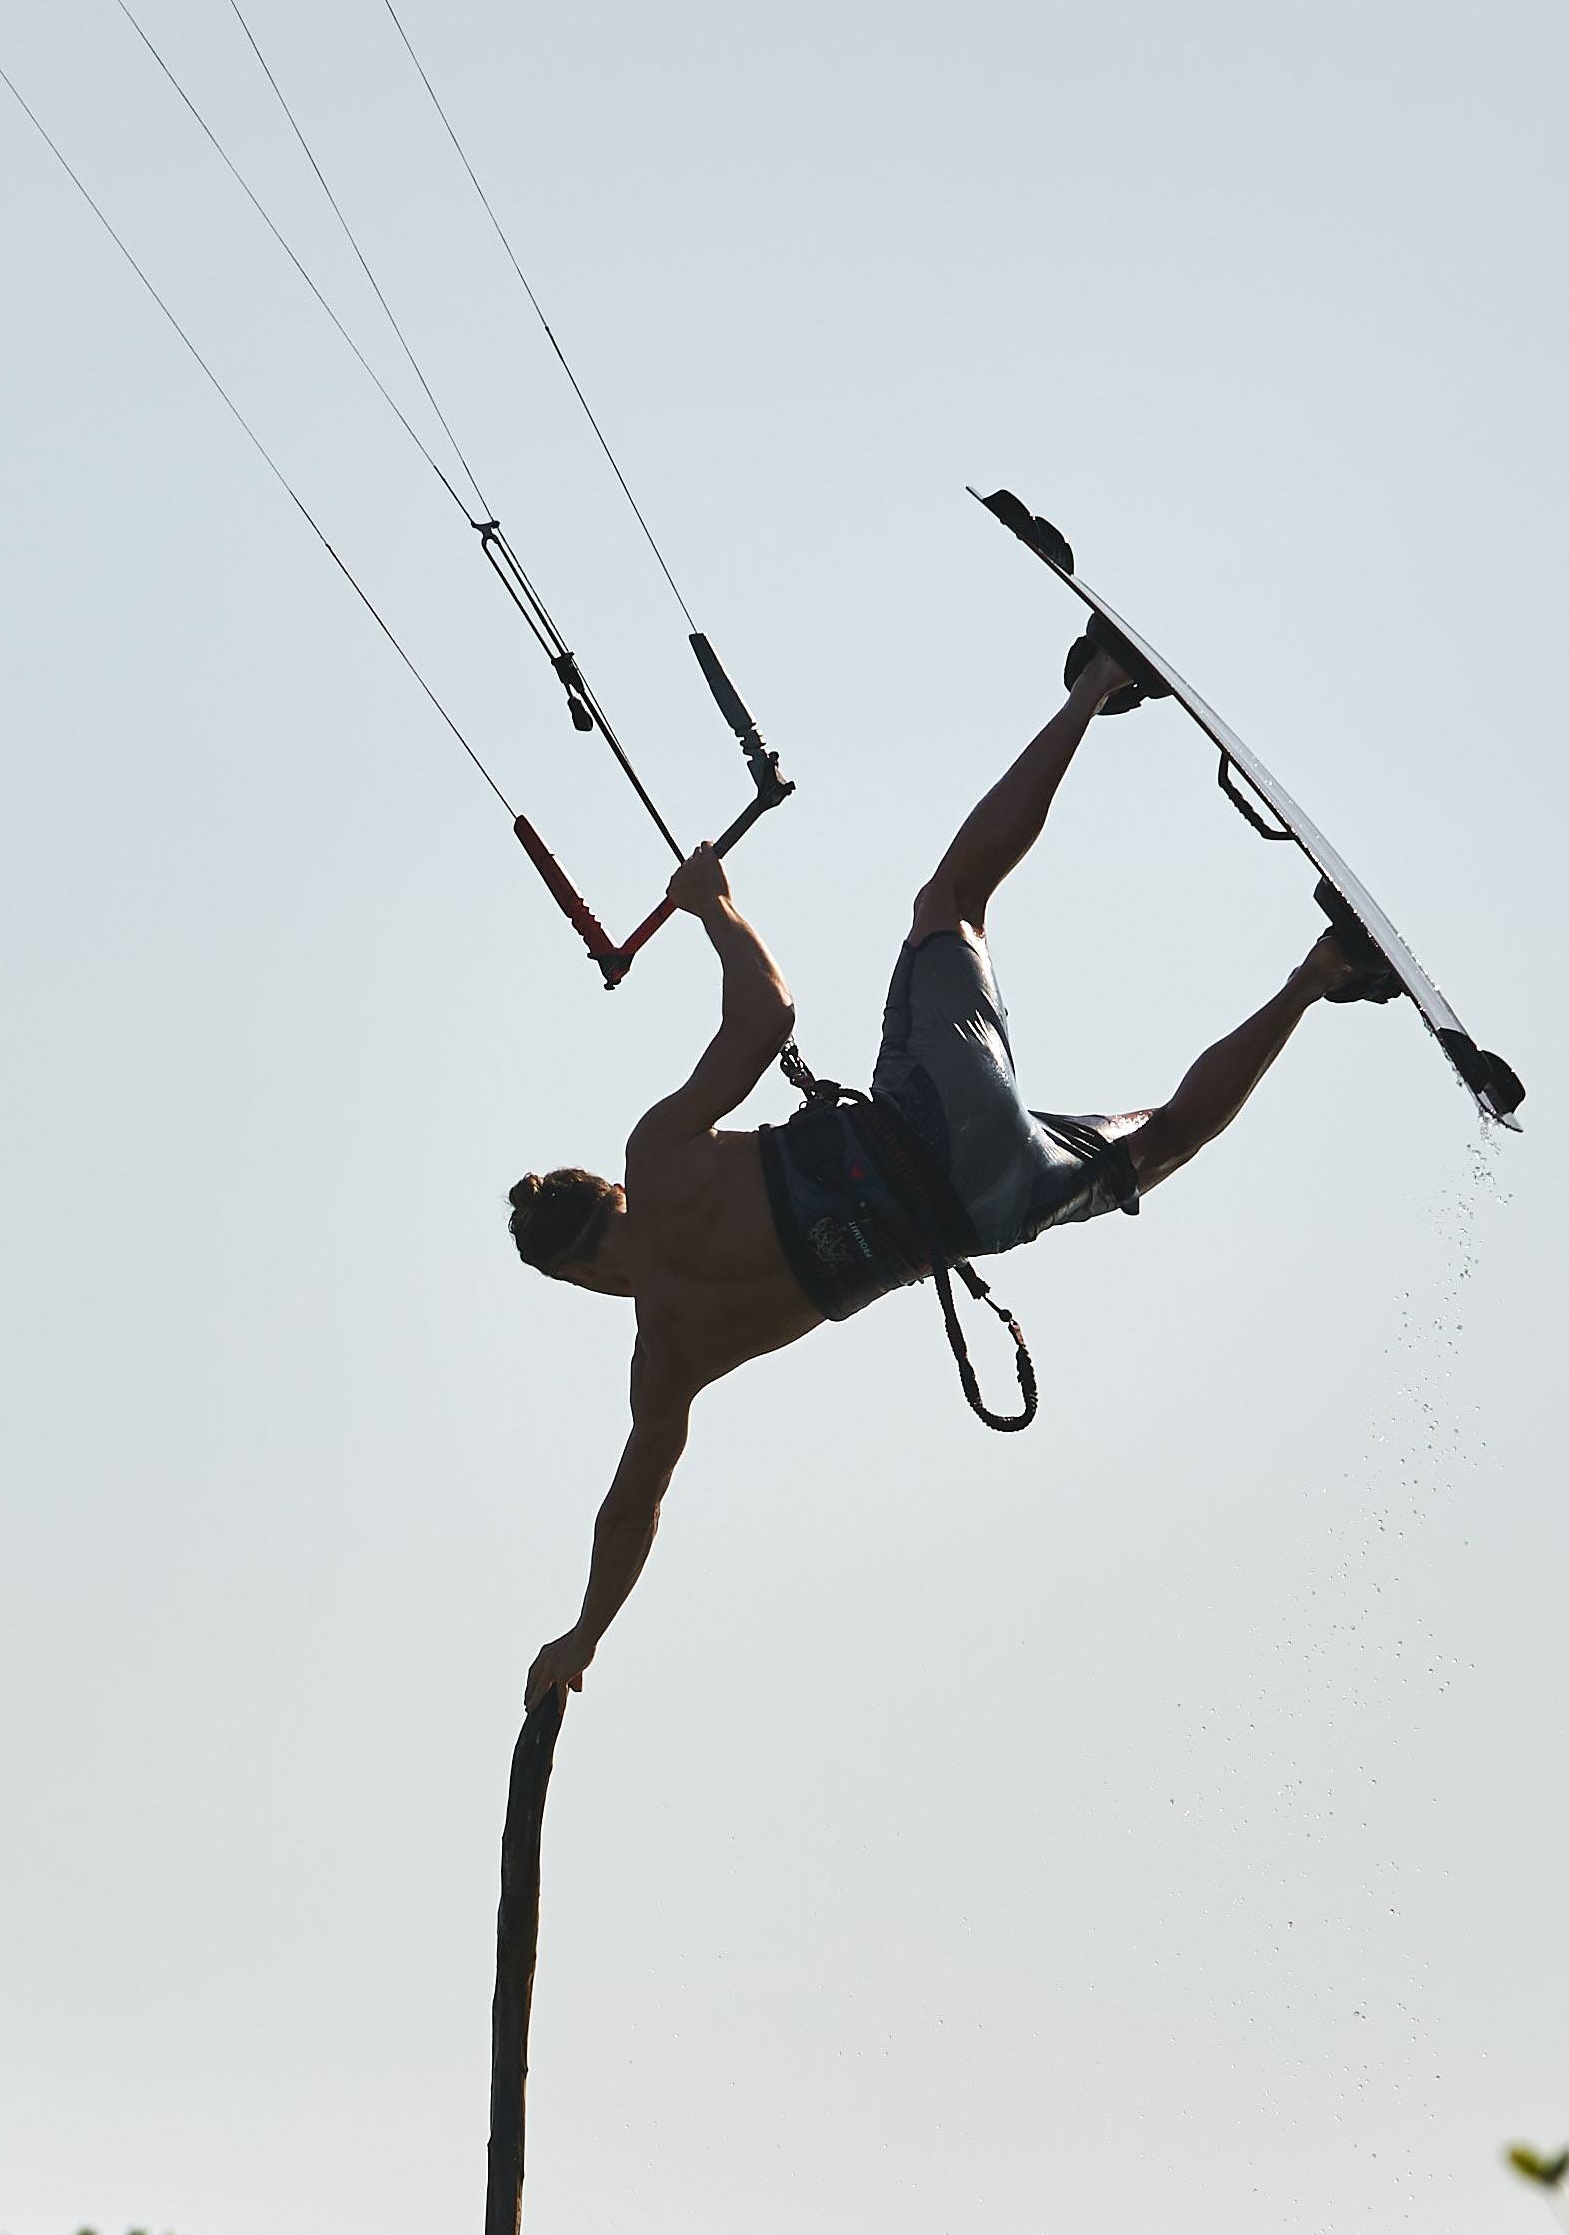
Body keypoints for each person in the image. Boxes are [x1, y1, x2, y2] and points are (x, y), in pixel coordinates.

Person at [513, 634, 1375, 1713]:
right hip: (929, 1115)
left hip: (976, 1209)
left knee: (1163, 1138)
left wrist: (582, 1633)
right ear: (613, 1196)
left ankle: (1321, 977)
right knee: (951, 899)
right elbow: (769, 1013)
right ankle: (1102, 684)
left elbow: (631, 1508)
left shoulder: (667, 1361)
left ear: (578, 1278)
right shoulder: (659, 1162)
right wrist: (715, 907)